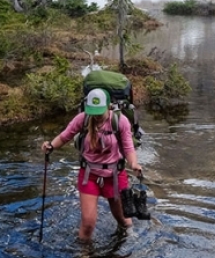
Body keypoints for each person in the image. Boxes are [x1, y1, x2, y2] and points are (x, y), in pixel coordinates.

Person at [41, 88, 143, 241]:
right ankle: (85, 252)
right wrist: (51, 146)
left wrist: (134, 163)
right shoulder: (82, 119)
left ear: (108, 106)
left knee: (123, 219)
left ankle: (128, 242)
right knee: (88, 223)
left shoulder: (120, 121)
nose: (96, 115)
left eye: (99, 111)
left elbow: (128, 147)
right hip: (89, 175)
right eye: (93, 111)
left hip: (114, 175)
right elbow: (65, 136)